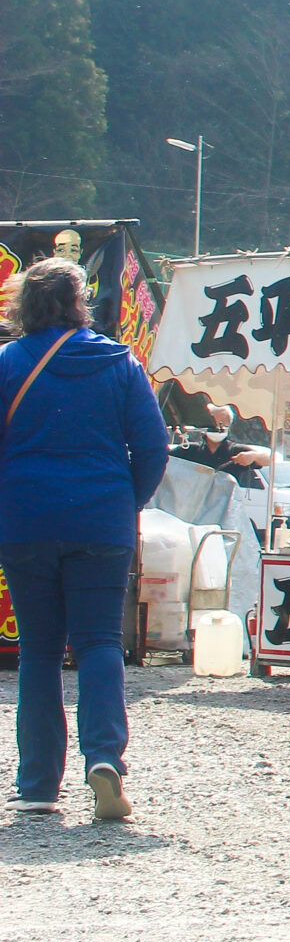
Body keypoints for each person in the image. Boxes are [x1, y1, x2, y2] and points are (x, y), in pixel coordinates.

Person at [0, 258, 167, 819]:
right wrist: (124, 503)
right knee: (97, 642)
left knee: (39, 652)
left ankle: (39, 787)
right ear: (79, 303)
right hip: (101, 519)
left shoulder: (7, 362)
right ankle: (104, 760)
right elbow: (152, 449)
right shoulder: (120, 363)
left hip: (24, 520)